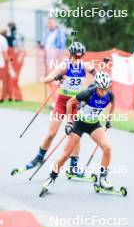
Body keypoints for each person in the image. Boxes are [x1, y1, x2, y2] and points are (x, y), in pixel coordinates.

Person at [11, 41, 96, 176]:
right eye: (75, 57)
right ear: (70, 55)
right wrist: (56, 77)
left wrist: (94, 78)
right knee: (52, 133)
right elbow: (45, 79)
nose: (78, 59)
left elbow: (100, 79)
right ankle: (39, 157)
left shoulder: (86, 66)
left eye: (80, 57)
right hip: (61, 103)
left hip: (75, 105)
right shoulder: (64, 65)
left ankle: (73, 167)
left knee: (75, 136)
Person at [40, 71, 115, 194]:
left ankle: (102, 179)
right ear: (96, 86)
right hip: (79, 124)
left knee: (107, 147)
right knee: (66, 154)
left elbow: (113, 105)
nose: (103, 92)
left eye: (105, 89)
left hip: (94, 125)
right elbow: (70, 102)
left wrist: (109, 118)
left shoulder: (110, 95)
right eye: (100, 89)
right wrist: (69, 122)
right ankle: (51, 178)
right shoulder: (88, 93)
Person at [41, 17, 67, 106]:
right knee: (49, 81)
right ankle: (54, 100)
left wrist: (58, 62)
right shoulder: (46, 33)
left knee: (54, 81)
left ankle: (57, 101)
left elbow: (61, 49)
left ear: (55, 23)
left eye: (51, 23)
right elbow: (44, 46)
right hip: (48, 60)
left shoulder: (60, 34)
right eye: (48, 23)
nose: (50, 25)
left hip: (55, 61)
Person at [6, 22, 25, 101]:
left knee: (14, 78)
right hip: (15, 60)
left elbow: (19, 50)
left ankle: (18, 97)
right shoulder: (17, 35)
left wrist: (14, 61)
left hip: (17, 60)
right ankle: (14, 96)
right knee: (13, 79)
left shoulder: (14, 36)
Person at [0, 30, 8, 102]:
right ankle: (2, 97)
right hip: (1, 64)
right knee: (3, 81)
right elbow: (5, 54)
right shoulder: (3, 39)